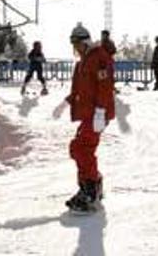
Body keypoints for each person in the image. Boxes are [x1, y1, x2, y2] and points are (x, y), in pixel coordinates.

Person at [53, 23, 116, 213]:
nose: (76, 49)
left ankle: (89, 190)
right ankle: (92, 184)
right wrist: (65, 103)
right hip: (88, 114)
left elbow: (105, 86)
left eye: (78, 45)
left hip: (97, 114)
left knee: (82, 149)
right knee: (78, 148)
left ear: (86, 42)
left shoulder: (99, 57)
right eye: (74, 46)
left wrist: (100, 112)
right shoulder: (82, 63)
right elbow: (80, 90)